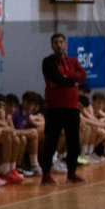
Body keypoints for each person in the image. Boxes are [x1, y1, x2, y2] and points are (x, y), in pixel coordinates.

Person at [40, 33, 87, 184]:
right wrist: (72, 80)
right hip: (54, 109)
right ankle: (46, 174)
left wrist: (65, 79)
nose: (59, 45)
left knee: (74, 143)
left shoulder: (73, 60)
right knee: (51, 142)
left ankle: (71, 173)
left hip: (72, 108)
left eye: (61, 42)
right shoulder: (48, 61)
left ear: (65, 44)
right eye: (55, 42)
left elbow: (83, 75)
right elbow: (55, 77)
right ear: (52, 45)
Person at [10, 93, 42, 175]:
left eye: (32, 105)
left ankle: (34, 165)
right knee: (24, 138)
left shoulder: (27, 113)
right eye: (29, 104)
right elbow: (11, 130)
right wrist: (26, 132)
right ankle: (18, 166)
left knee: (34, 134)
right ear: (23, 102)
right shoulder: (16, 111)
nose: (30, 107)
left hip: (19, 134)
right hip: (12, 135)